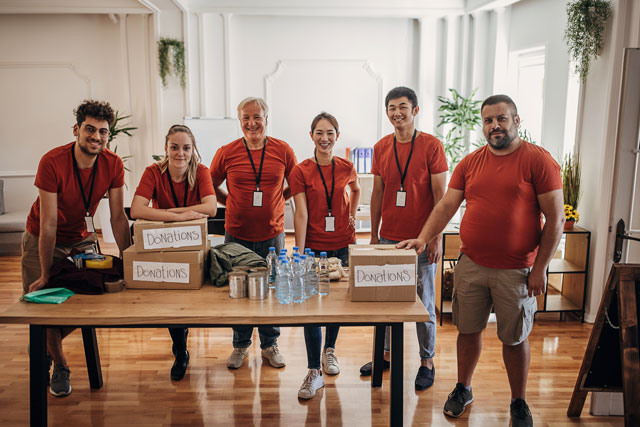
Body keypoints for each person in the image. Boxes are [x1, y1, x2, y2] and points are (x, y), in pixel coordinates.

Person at [398, 95, 564, 427]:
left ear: (517, 120)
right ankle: (463, 388)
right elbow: (446, 206)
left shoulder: (538, 160)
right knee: (468, 331)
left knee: (514, 338)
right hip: (472, 264)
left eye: (501, 119)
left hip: (517, 269)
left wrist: (540, 268)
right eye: (488, 120)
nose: (494, 126)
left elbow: (556, 219)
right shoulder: (471, 162)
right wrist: (424, 236)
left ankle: (518, 401)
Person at [22, 100, 131, 397]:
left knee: (88, 300)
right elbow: (48, 224)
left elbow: (118, 217)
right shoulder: (52, 161)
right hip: (42, 238)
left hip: (80, 238)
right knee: (42, 305)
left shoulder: (113, 164)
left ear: (109, 135)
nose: (96, 137)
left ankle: (45, 344)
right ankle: (60, 363)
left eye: (103, 132)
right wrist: (45, 274)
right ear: (76, 130)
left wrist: (131, 262)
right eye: (89, 129)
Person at [360, 86, 448, 391]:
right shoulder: (381, 147)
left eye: (402, 107)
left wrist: (435, 238)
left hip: (421, 241)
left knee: (423, 304)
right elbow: (378, 193)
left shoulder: (432, 146)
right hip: (387, 239)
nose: (396, 113)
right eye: (391, 108)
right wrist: (373, 234)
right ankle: (383, 356)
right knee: (383, 302)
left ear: (415, 110)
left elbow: (441, 197)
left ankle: (427, 361)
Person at [210, 97, 297, 370]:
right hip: (236, 233)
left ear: (266, 119)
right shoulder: (227, 152)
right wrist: (229, 202)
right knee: (239, 292)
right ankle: (240, 346)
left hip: (273, 234)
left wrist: (277, 200)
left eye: (257, 117)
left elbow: (296, 183)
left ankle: (270, 345)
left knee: (271, 289)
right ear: (240, 121)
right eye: (246, 118)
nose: (252, 123)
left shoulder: (283, 150)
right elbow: (209, 184)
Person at [130, 124, 217, 381]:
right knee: (173, 295)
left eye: (186, 148)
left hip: (192, 242)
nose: (180, 153)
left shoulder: (201, 171)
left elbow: (211, 208)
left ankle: (184, 335)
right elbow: (136, 209)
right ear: (166, 149)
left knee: (194, 293)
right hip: (164, 242)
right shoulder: (153, 172)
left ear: (193, 149)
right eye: (174, 147)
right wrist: (181, 215)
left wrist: (167, 215)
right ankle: (181, 351)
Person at [290, 112, 361, 399]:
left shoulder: (347, 167)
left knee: (335, 307)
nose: (324, 138)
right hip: (316, 246)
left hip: (343, 243)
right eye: (319, 132)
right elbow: (302, 213)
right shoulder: (301, 170)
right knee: (313, 308)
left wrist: (353, 214)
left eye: (330, 132)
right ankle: (312, 370)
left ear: (337, 136)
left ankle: (329, 350)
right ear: (311, 136)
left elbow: (356, 190)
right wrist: (301, 252)